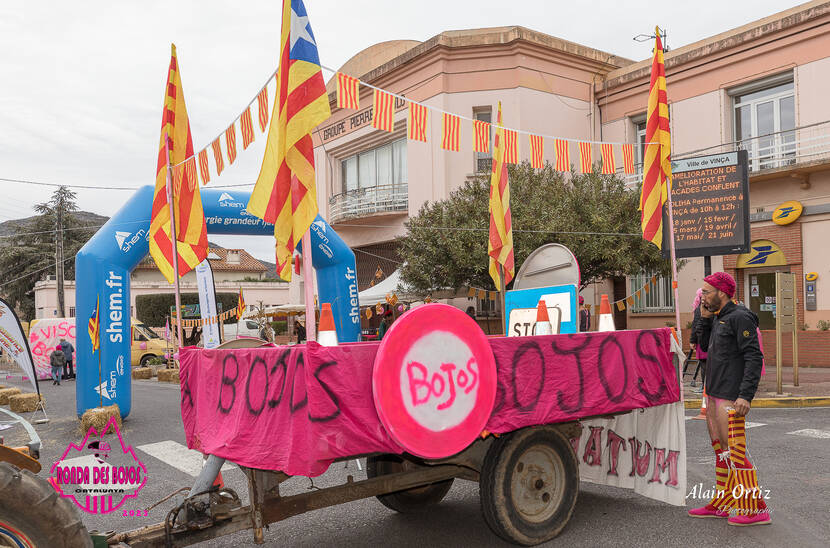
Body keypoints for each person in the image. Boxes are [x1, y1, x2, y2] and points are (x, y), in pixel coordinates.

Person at [688, 272, 770, 526]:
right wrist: (703, 320)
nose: (702, 296)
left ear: (722, 292)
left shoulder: (740, 317)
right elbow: (703, 347)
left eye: (706, 291)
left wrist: (745, 395)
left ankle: (757, 509)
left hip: (730, 395)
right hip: (713, 392)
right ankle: (723, 503)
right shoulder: (717, 317)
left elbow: (754, 356)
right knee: (721, 450)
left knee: (734, 451)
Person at [688, 289, 707, 394]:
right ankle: (707, 386)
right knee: (707, 364)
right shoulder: (712, 308)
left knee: (704, 364)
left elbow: (695, 325)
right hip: (709, 341)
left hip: (703, 340)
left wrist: (693, 340)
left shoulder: (700, 309)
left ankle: (705, 386)